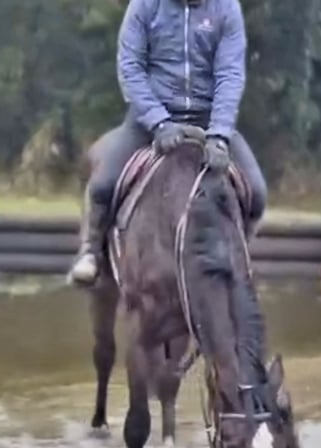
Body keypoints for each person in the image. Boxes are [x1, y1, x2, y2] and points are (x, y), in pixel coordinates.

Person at [68, 0, 268, 286]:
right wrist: (158, 122)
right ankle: (90, 253)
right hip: (148, 121)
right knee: (102, 185)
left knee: (257, 193)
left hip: (208, 120)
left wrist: (220, 134)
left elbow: (230, 74)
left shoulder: (226, 7)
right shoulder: (145, 6)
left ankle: (238, 263)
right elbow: (130, 67)